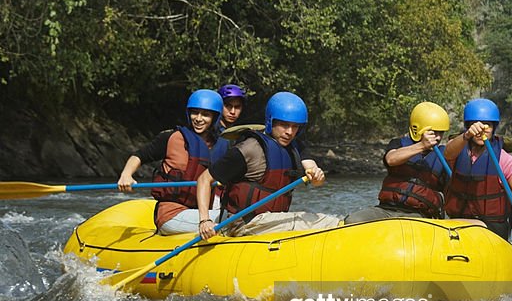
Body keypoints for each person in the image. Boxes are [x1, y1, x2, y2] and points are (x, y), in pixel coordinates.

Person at [196, 91, 339, 239]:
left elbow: (311, 167)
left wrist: (316, 176)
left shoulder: (294, 147)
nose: (289, 132)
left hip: (271, 221)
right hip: (245, 224)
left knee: (317, 219)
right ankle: (341, 225)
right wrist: (204, 220)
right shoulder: (249, 149)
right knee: (324, 223)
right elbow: (204, 180)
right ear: (271, 122)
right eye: (284, 125)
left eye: (295, 126)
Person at [117, 88, 224, 235]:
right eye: (195, 113)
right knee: (233, 219)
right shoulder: (171, 138)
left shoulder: (220, 146)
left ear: (215, 118)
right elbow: (140, 155)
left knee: (237, 214)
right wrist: (126, 174)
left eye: (205, 114)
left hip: (201, 212)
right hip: (171, 215)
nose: (198, 119)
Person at [442, 97, 512, 255]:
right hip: (458, 225)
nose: (482, 129)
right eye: (476, 124)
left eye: (487, 125)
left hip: (492, 230)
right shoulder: (458, 150)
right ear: (468, 126)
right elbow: (447, 153)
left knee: (461, 226)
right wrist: (466, 136)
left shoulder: (505, 160)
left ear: (494, 127)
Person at [344, 102, 451, 225]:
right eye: (433, 132)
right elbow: (391, 159)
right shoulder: (398, 144)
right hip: (386, 210)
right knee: (352, 220)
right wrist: (422, 146)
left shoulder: (446, 155)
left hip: (419, 215)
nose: (437, 138)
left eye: (441, 133)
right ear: (419, 129)